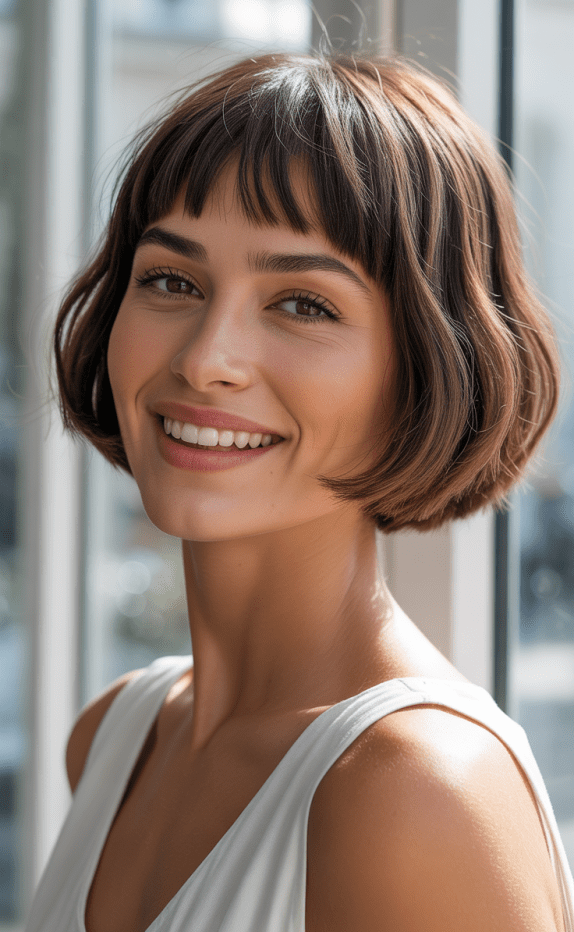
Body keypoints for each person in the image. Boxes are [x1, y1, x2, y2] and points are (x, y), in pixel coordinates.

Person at [26, 51, 573, 932]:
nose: (206, 358)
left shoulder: (419, 791)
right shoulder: (116, 737)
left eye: (303, 304)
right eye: (172, 280)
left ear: (428, 364)